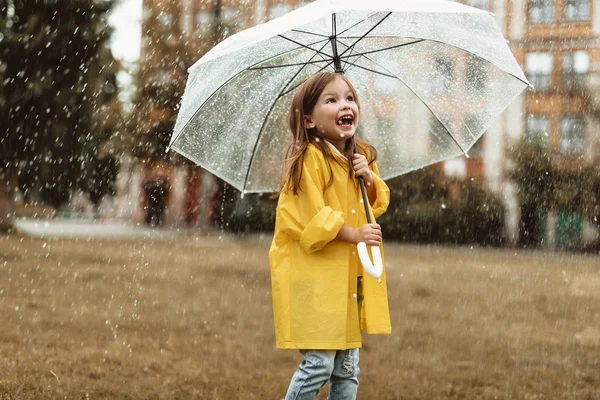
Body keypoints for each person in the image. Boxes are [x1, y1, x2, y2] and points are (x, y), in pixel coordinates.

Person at [269, 71, 392, 400]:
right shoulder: (310, 159)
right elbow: (311, 217)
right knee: (320, 363)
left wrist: (366, 177)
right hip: (316, 280)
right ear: (309, 120)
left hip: (347, 281)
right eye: (332, 99)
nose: (345, 105)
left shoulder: (358, 157)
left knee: (347, 369)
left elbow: (375, 204)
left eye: (350, 97)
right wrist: (352, 233)